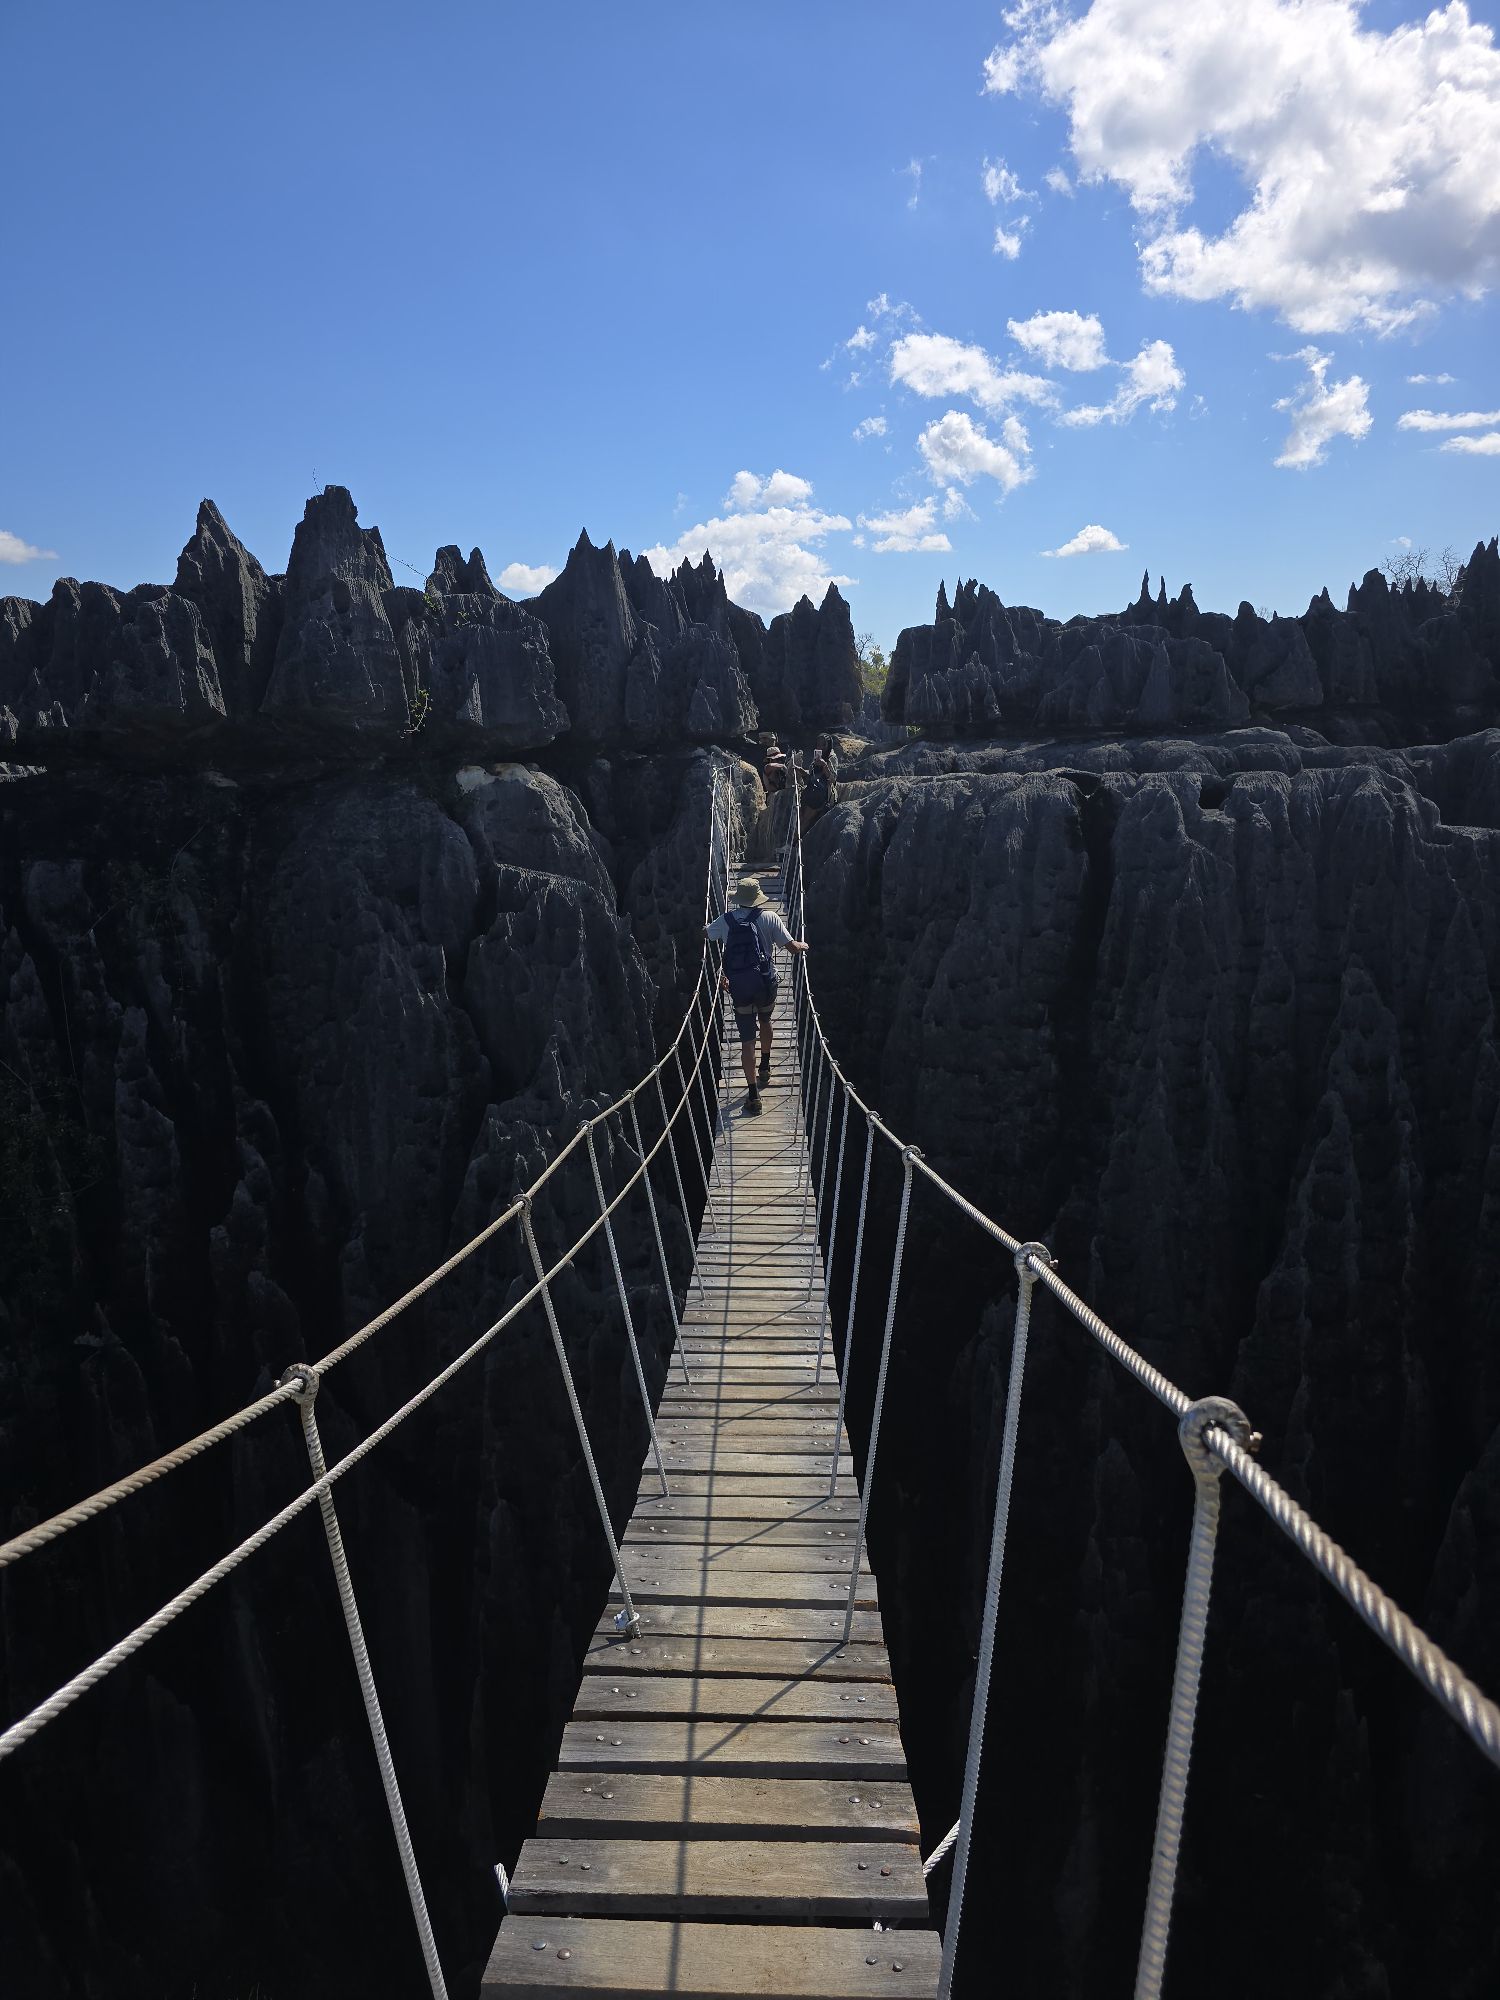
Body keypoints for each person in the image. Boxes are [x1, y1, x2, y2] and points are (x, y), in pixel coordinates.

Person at [705, 876, 808, 1115]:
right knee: (766, 1020)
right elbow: (792, 947)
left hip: (739, 987)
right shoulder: (770, 917)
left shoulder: (726, 920)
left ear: (738, 899)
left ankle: (753, 1094)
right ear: (758, 898)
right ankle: (765, 1066)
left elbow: (706, 934)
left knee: (747, 1041)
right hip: (765, 983)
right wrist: (803, 945)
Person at [800, 735, 838, 838]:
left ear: (828, 745)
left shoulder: (831, 758)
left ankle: (795, 841)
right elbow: (812, 775)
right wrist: (801, 771)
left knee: (805, 819)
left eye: (823, 745)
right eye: (818, 745)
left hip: (822, 793)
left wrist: (824, 765)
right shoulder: (817, 757)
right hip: (812, 790)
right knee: (800, 815)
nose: (820, 747)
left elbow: (832, 778)